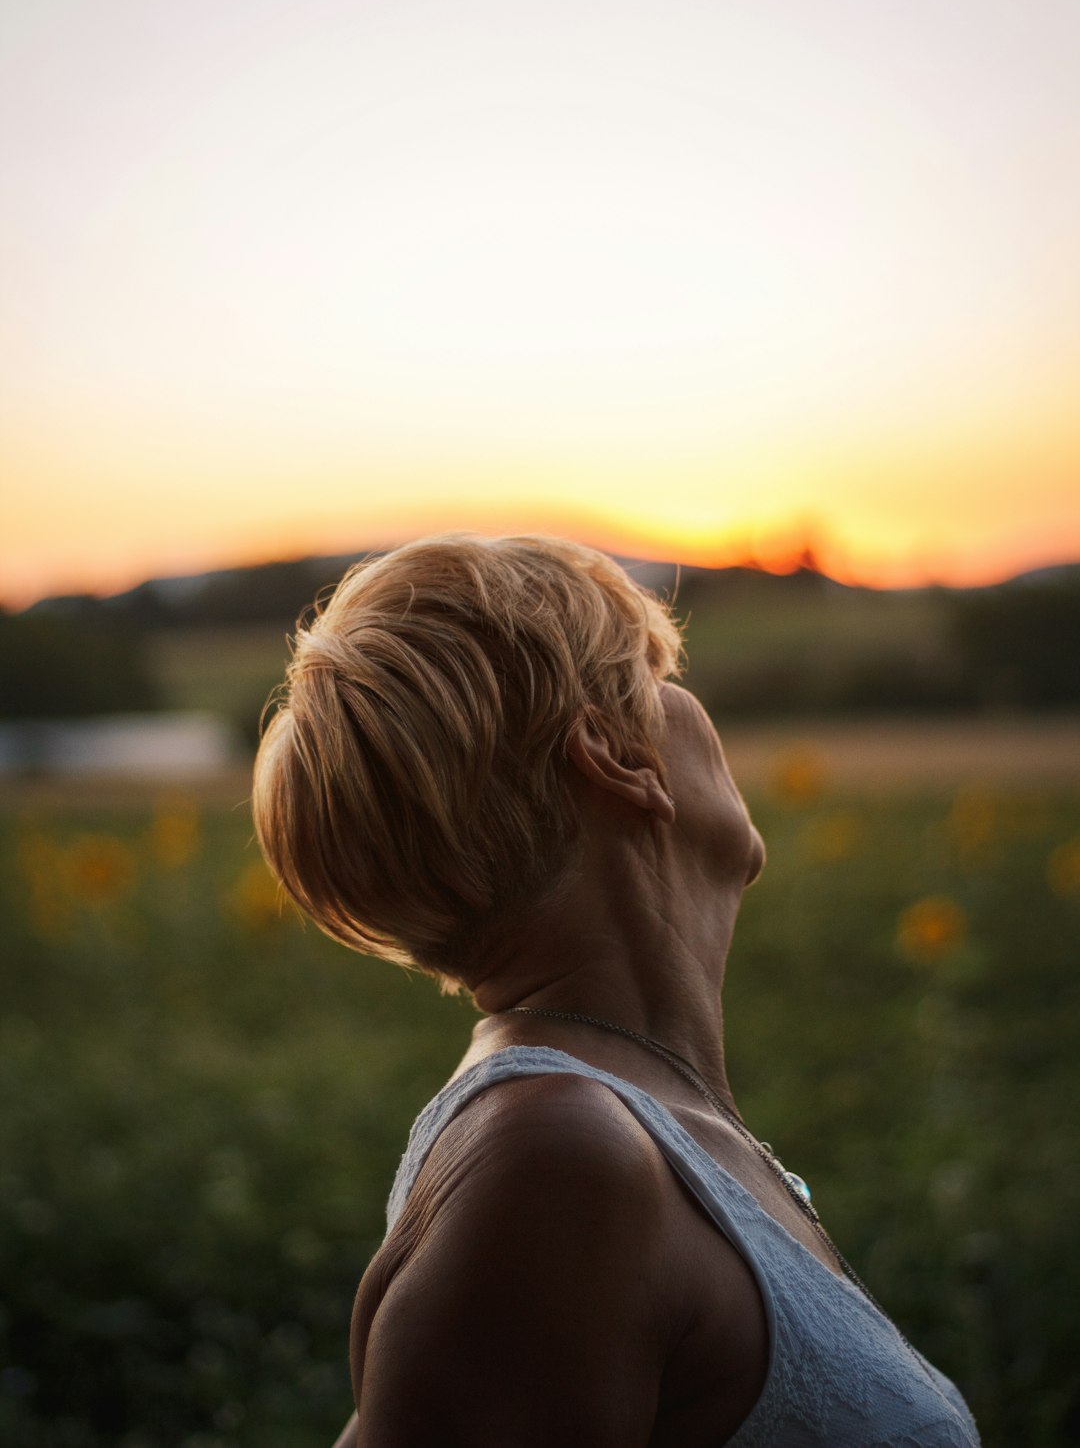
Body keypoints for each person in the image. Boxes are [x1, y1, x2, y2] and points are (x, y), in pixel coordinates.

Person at [252, 533, 980, 1448]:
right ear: (614, 755)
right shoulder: (558, 1160)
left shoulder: (618, 1128)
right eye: (659, 677)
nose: (691, 703)